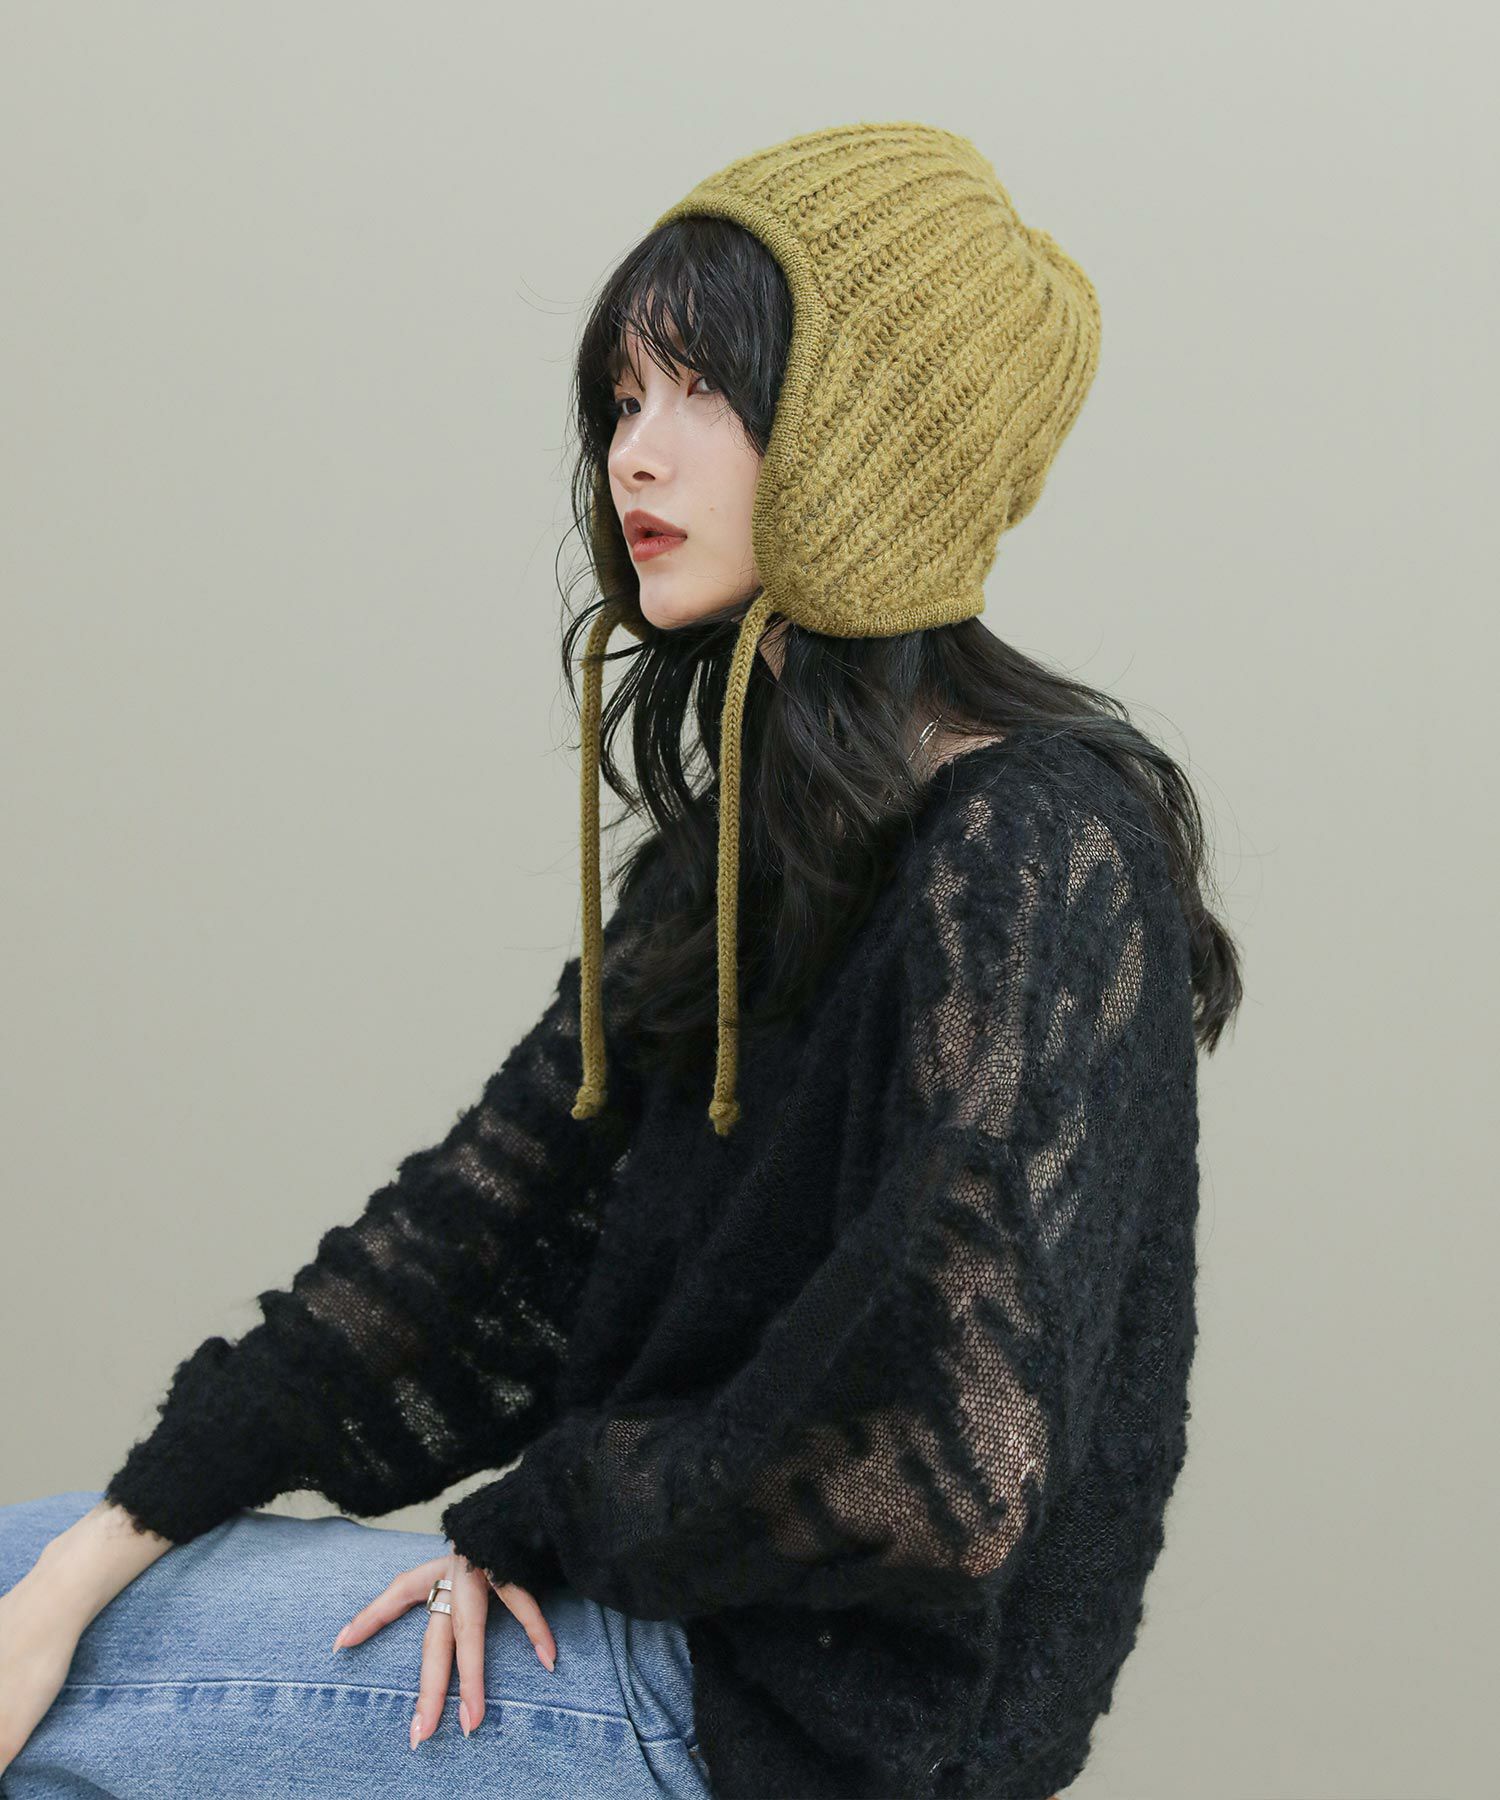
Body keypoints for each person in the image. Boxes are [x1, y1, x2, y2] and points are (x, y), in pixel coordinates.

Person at [0, 120, 1241, 1798]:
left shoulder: (1035, 843)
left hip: (778, 1733)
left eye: (701, 393)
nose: (632, 458)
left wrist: (539, 1517)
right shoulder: (750, 855)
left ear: (865, 441)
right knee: (21, 1570)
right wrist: (95, 1558)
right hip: (645, 1638)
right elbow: (464, 1243)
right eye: (623, 398)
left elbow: (943, 1459)